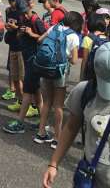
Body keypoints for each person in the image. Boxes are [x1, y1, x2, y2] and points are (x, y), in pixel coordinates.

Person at [42, 42, 110, 188]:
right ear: (96, 74)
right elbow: (71, 127)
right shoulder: (84, 92)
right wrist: (53, 164)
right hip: (92, 181)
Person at [35, 11, 83, 148]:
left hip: (45, 68)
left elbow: (40, 40)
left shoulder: (54, 28)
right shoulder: (73, 36)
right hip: (60, 72)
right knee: (58, 105)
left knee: (47, 102)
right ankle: (57, 138)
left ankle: (41, 133)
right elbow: (74, 60)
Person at [3, 0, 46, 134]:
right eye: (21, 13)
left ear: (29, 6)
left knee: (27, 92)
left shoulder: (36, 21)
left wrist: (31, 34)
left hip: (34, 60)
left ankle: (20, 123)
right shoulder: (23, 19)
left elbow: (45, 38)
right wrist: (19, 32)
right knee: (37, 92)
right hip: (27, 57)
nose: (23, 15)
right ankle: (43, 121)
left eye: (24, 12)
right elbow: (20, 34)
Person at [2, 0, 22, 102]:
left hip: (21, 44)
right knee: (11, 67)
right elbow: (7, 23)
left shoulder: (22, 12)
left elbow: (24, 28)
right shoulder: (8, 10)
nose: (11, 2)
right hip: (12, 42)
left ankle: (21, 95)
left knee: (20, 71)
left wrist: (16, 27)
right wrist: (7, 26)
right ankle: (11, 89)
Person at [80, 12, 108, 81]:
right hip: (104, 72)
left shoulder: (87, 38)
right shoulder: (107, 37)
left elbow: (85, 59)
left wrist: (82, 76)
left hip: (91, 72)